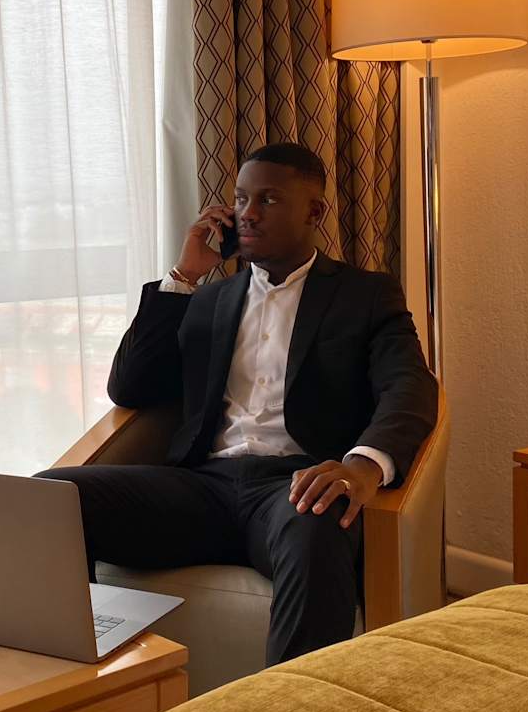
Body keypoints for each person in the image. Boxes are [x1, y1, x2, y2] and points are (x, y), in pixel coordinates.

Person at [38, 142, 438, 664]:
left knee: (320, 517)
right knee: (50, 498)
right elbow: (130, 389)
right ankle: (70, 688)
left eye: (268, 200)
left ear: (314, 212)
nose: (247, 213)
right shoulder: (209, 299)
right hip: (202, 488)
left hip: (293, 486)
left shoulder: (365, 295)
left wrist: (362, 467)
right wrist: (183, 276)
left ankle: (297, 707)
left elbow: (409, 386)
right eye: (241, 198)